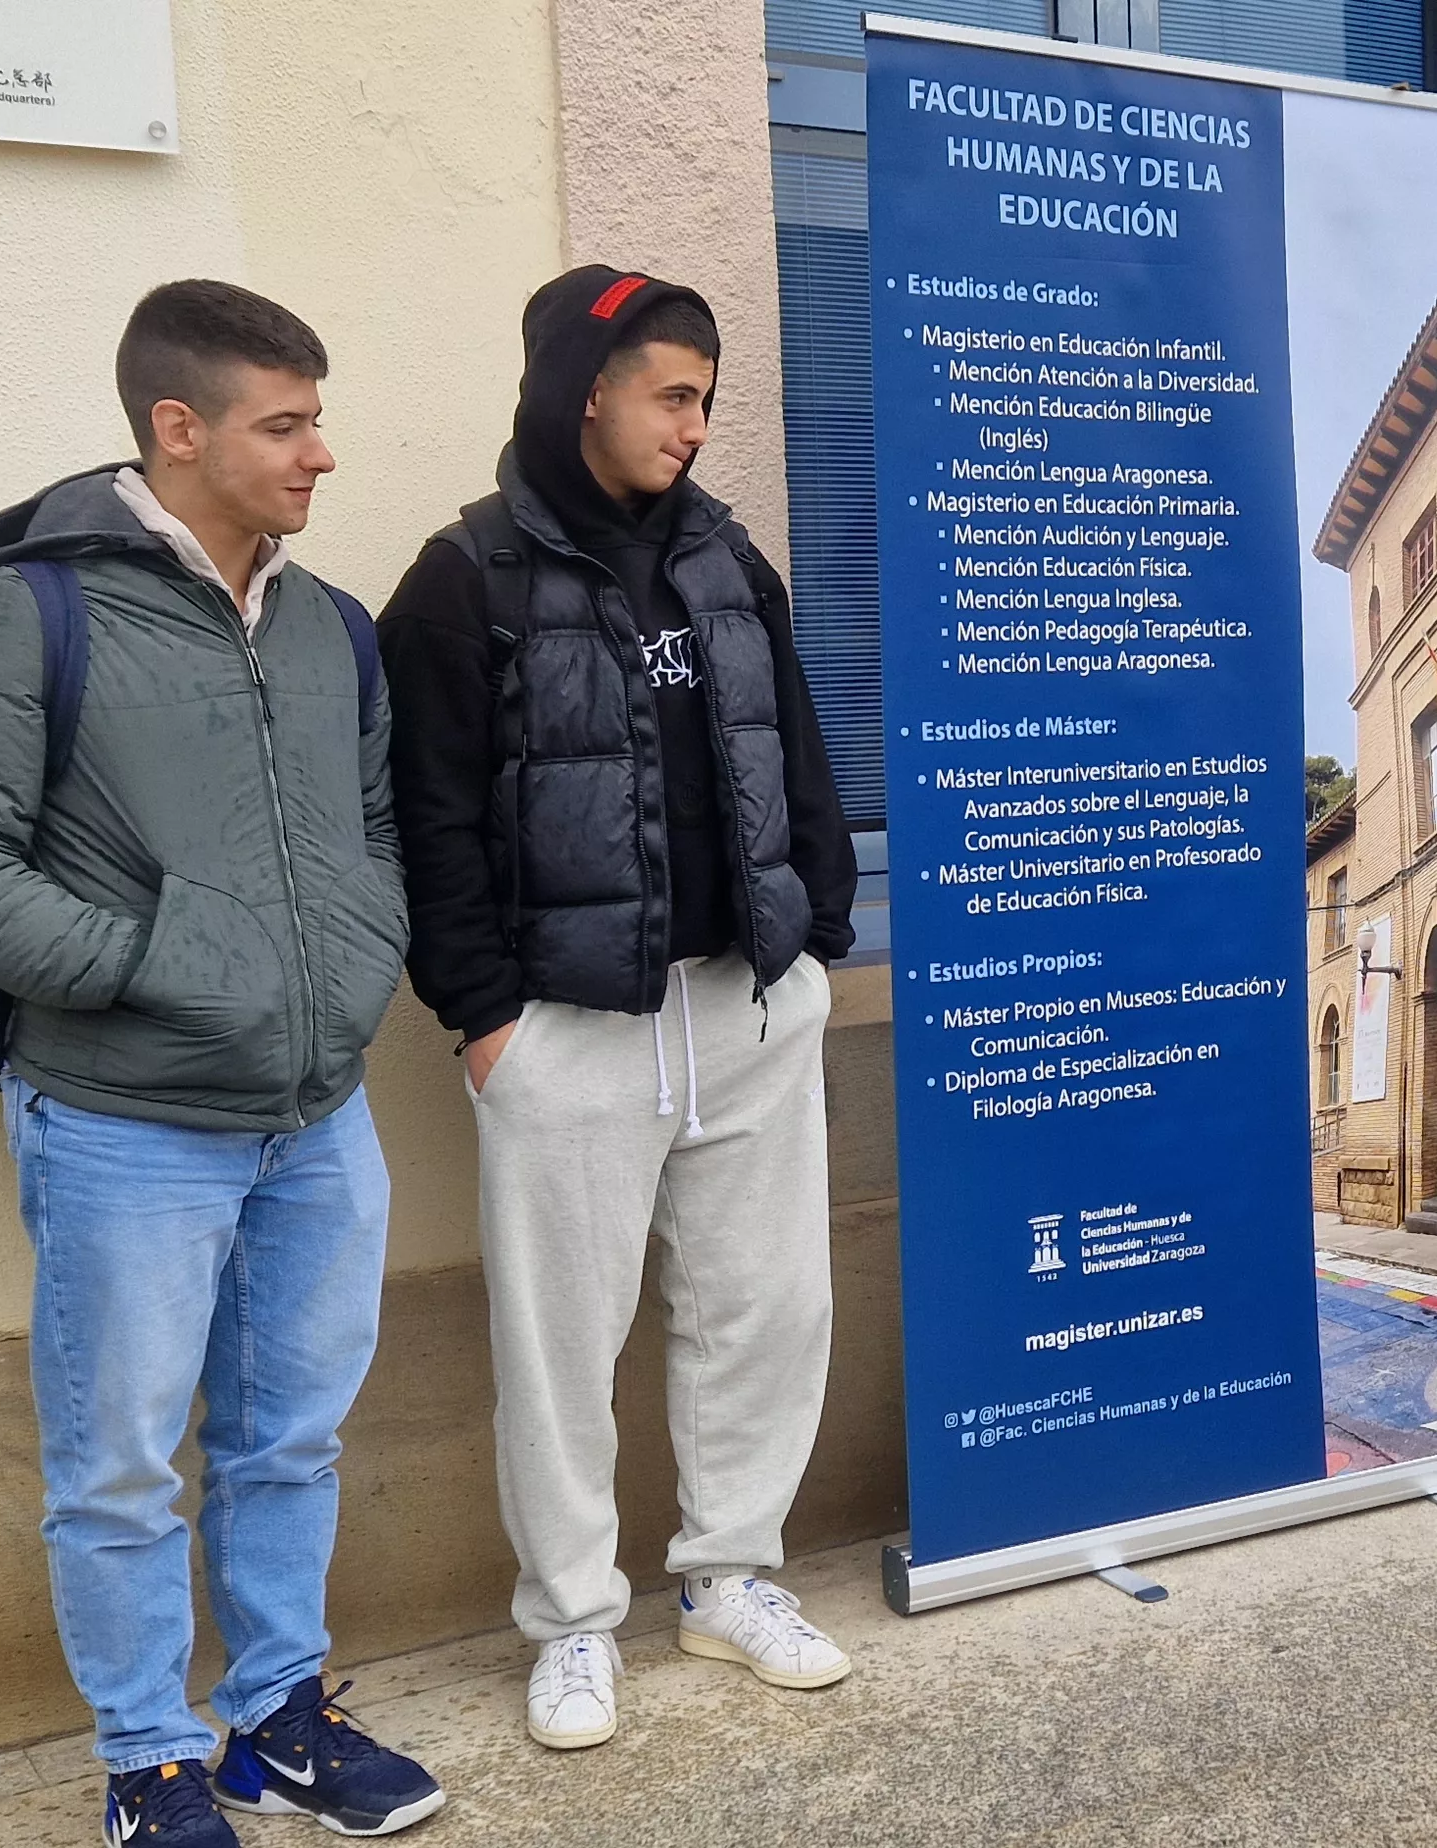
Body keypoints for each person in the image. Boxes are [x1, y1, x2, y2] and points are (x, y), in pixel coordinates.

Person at [0, 280, 446, 1846]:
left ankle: (279, 1716)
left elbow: (375, 822)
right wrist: (165, 970)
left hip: (315, 1113)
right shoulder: (29, 609)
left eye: (318, 417)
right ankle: (148, 1759)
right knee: (122, 1468)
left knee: (291, 1438)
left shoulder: (328, 626)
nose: (321, 454)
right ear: (177, 431)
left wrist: (358, 949)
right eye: (287, 423)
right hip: (127, 1121)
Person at [378, 266, 860, 1753]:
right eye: (674, 393)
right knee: (560, 1348)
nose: (699, 427)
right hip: (566, 1030)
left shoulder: (728, 565)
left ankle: (728, 1582)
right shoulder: (464, 581)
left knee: (764, 1313)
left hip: (748, 1005)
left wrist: (817, 941)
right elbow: (430, 820)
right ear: (585, 388)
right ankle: (575, 1624)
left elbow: (800, 754)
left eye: (709, 399)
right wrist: (483, 1018)